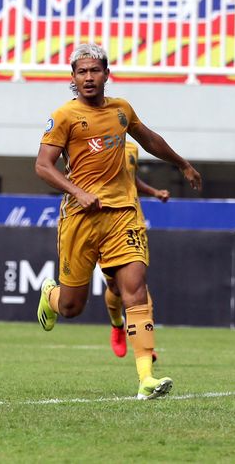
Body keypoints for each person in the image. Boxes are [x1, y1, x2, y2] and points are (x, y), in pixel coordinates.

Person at [34, 43, 202, 400]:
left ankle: (146, 378)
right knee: (71, 308)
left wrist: (181, 163)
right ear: (73, 78)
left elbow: (150, 139)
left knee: (135, 289)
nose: (89, 77)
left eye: (95, 70)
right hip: (80, 218)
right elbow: (42, 166)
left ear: (107, 74)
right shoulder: (64, 116)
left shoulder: (122, 110)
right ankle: (51, 295)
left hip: (123, 214)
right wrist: (77, 192)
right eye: (82, 72)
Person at [103, 140, 169, 359]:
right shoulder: (92, 143)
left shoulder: (132, 147)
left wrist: (154, 192)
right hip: (102, 223)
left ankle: (145, 347)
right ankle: (116, 325)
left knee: (138, 286)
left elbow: (130, 179)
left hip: (133, 222)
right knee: (114, 287)